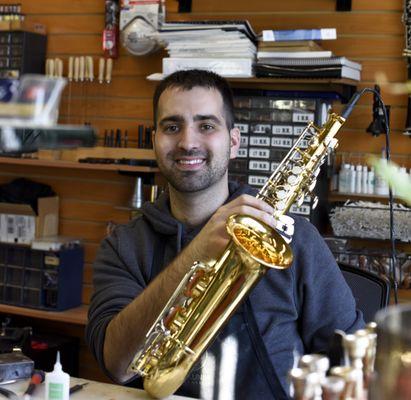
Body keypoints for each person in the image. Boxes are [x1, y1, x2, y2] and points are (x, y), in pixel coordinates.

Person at [86, 69, 364, 400]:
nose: (188, 142)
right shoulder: (122, 247)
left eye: (206, 126)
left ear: (233, 142)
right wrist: (197, 252)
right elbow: (116, 364)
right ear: (154, 141)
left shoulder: (296, 239)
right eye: (172, 127)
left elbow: (352, 361)